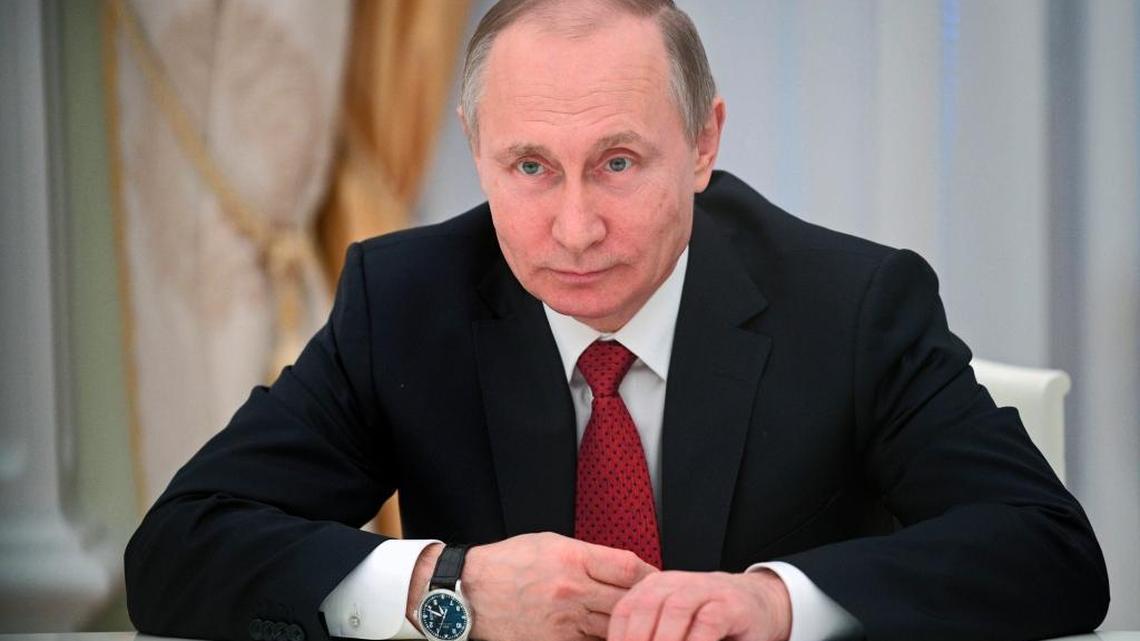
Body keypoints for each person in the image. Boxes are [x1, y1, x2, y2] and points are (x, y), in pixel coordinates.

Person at [124, 1, 1110, 641]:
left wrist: (777, 602)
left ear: (703, 141)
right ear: (476, 149)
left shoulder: (854, 303)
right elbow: (178, 551)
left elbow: (1047, 550)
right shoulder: (404, 299)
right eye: (530, 167)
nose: (575, 227)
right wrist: (446, 585)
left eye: (620, 162)